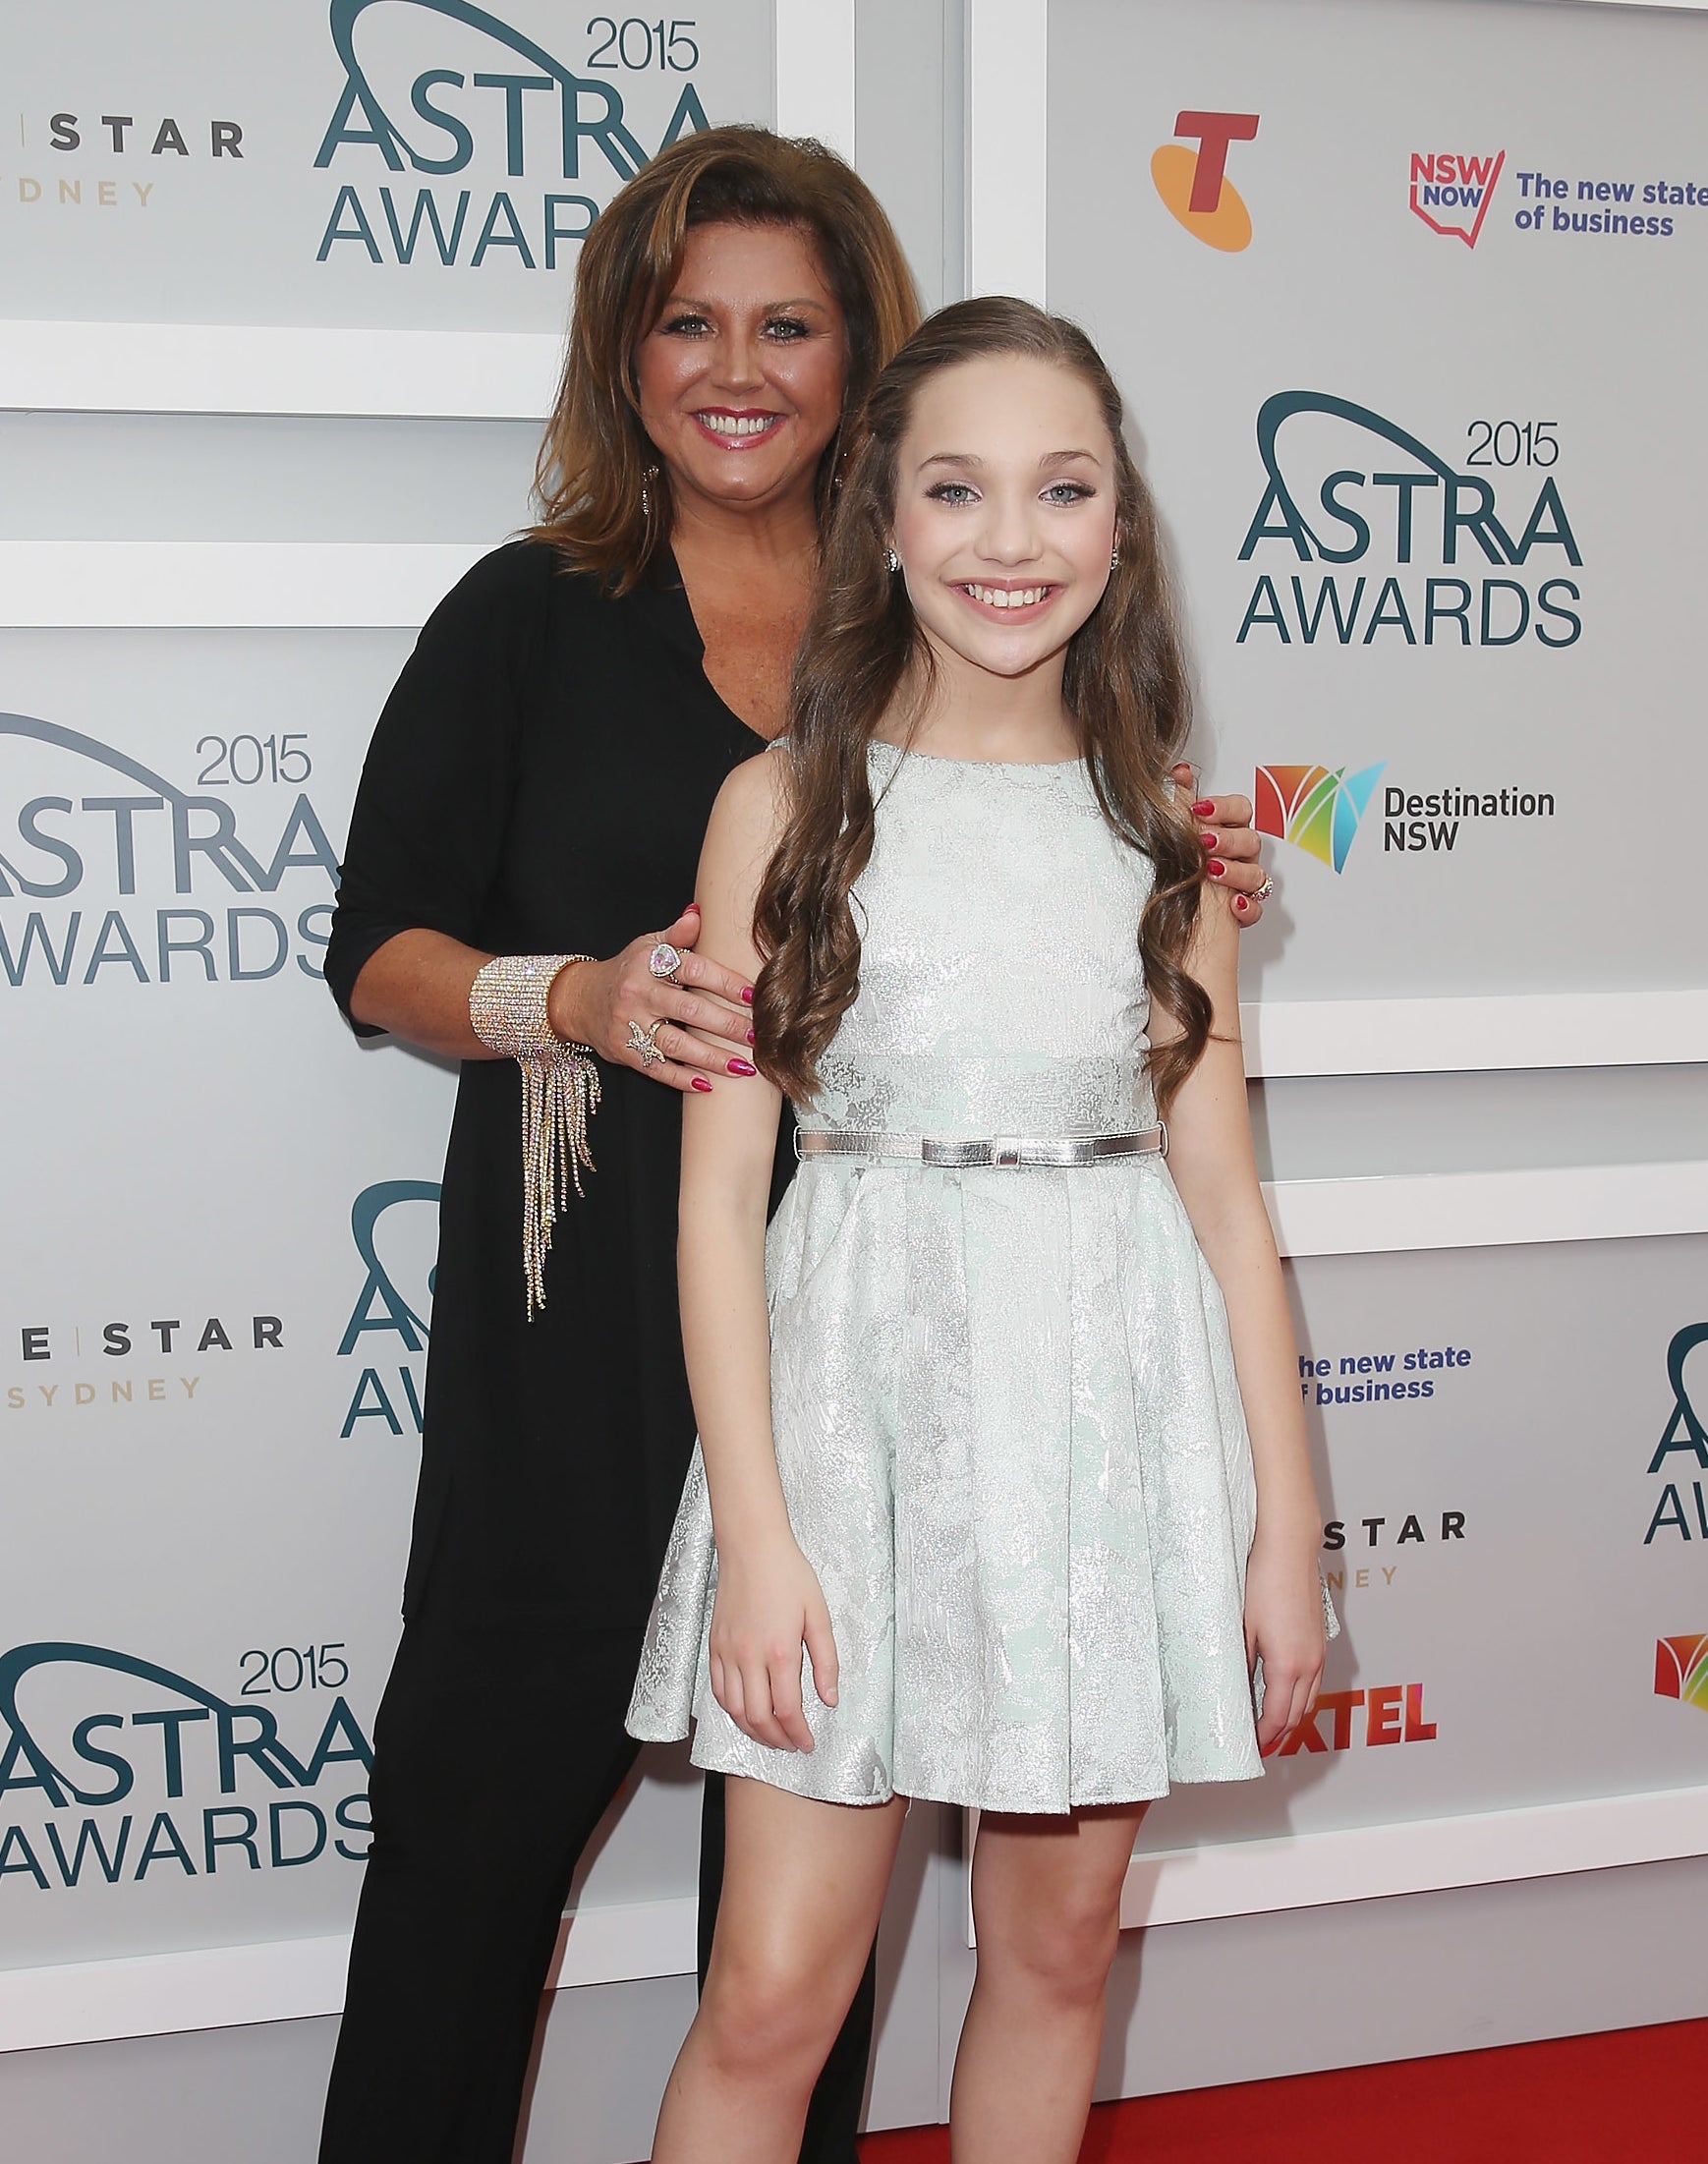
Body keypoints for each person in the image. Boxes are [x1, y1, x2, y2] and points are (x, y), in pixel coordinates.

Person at [318, 128, 1271, 2164]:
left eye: (788, 323)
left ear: (861, 359)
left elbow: (1047, 897)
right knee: (487, 1829)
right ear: (623, 354)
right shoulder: (528, 618)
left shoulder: (929, 640)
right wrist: (568, 998)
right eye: (685, 322)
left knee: (821, 1921)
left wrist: (1152, 881)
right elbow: (375, 949)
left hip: (915, 1329)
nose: (733, 366)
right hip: (598, 1316)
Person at [626, 297, 1331, 2164]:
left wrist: (1287, 1526)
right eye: (957, 488)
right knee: (772, 1989)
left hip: (1104, 1427)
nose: (1008, 542)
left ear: (1118, 527)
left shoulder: (1168, 842)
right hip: (849, 1429)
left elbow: (1227, 1205)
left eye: (1060, 489)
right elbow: (718, 1208)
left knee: (1056, 1956)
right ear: (883, 517)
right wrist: (759, 1536)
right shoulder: (776, 806)